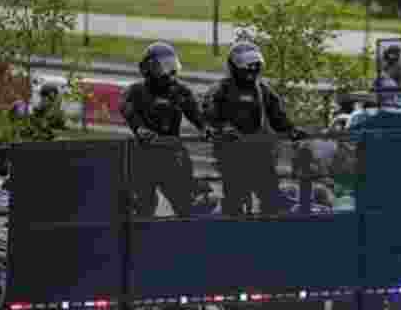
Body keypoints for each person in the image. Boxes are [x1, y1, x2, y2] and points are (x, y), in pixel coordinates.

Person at [203, 41, 304, 216]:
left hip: (260, 154)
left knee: (271, 197)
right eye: (246, 63)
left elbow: (277, 116)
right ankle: (232, 233)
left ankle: (268, 232)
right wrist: (223, 128)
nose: (252, 68)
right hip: (231, 154)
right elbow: (208, 113)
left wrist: (291, 130)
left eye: (255, 63)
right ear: (234, 64)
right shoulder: (221, 89)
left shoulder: (263, 90)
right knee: (234, 200)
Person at [121, 42, 210, 218]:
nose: (168, 72)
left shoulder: (180, 91)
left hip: (172, 158)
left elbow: (196, 113)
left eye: (171, 66)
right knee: (143, 209)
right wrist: (139, 129)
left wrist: (205, 127)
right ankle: (140, 241)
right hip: (143, 159)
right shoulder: (135, 91)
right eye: (163, 67)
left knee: (185, 206)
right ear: (148, 68)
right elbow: (126, 109)